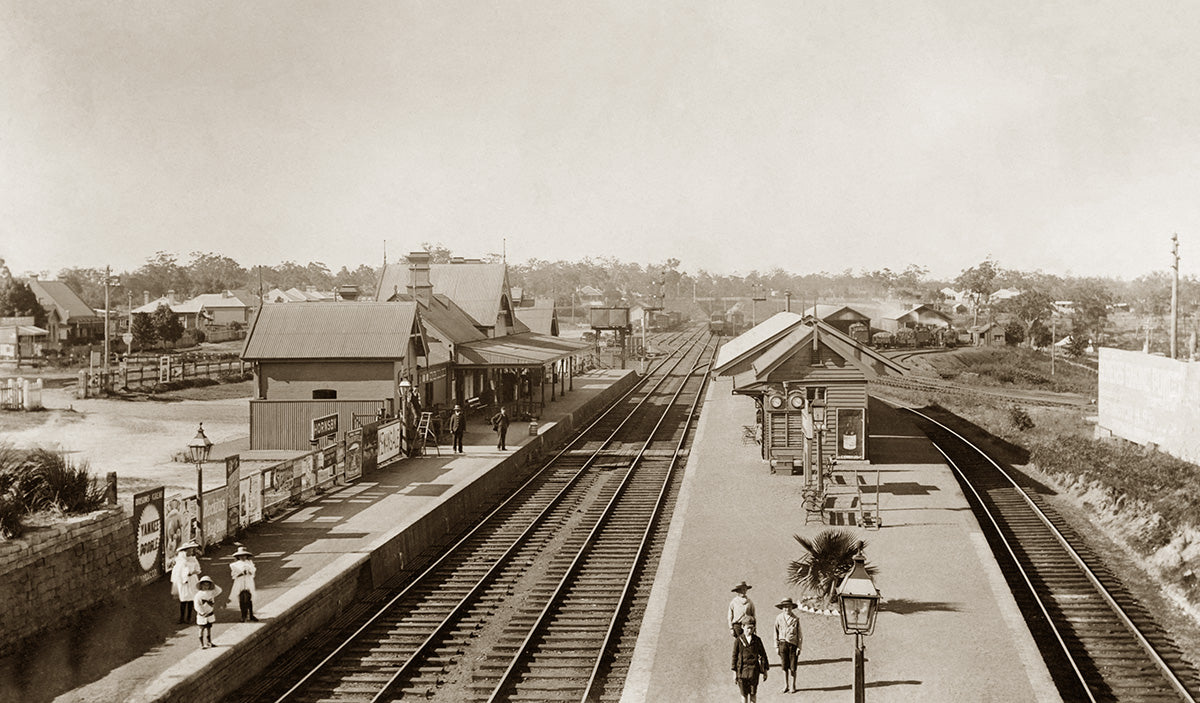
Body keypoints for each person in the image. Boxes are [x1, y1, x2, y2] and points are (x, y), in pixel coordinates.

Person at [731, 618, 770, 703]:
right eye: (748, 628)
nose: (750, 630)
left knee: (753, 694)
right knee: (744, 695)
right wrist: (734, 673)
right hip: (742, 672)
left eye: (752, 628)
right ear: (743, 627)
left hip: (754, 672)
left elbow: (763, 655)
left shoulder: (757, 640)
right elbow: (734, 656)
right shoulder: (738, 640)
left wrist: (765, 670)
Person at [774, 597, 802, 693]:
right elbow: (775, 632)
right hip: (782, 644)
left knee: (793, 667)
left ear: (792, 607)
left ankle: (793, 685)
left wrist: (799, 647)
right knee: (784, 666)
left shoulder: (795, 619)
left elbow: (799, 635)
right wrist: (776, 646)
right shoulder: (779, 618)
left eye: (789, 607)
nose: (787, 609)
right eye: (785, 607)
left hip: (792, 645)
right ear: (782, 608)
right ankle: (786, 685)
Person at [171, 541, 201, 624]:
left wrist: (192, 572)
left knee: (191, 598)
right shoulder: (180, 561)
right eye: (189, 550)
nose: (191, 552)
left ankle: (189, 617)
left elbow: (198, 570)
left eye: (191, 550)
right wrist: (184, 576)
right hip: (183, 581)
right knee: (183, 599)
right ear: (185, 551)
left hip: (192, 580)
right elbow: (177, 571)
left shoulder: (193, 559)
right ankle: (182, 617)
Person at [229, 545, 258, 622]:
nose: (243, 557)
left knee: (249, 597)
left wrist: (249, 571)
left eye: (244, 555)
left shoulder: (250, 563)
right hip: (240, 582)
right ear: (238, 557)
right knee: (242, 599)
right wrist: (241, 573)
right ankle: (243, 615)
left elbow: (253, 572)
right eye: (241, 556)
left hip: (248, 581)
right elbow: (233, 575)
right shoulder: (235, 565)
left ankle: (251, 615)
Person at [194, 575, 223, 648]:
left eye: (208, 585)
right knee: (201, 629)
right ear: (201, 585)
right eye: (204, 585)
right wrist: (202, 612)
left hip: (209, 614)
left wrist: (213, 584)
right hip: (202, 614)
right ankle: (201, 643)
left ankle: (209, 642)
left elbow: (219, 590)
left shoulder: (211, 592)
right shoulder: (198, 595)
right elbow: (197, 605)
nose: (206, 587)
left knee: (208, 628)